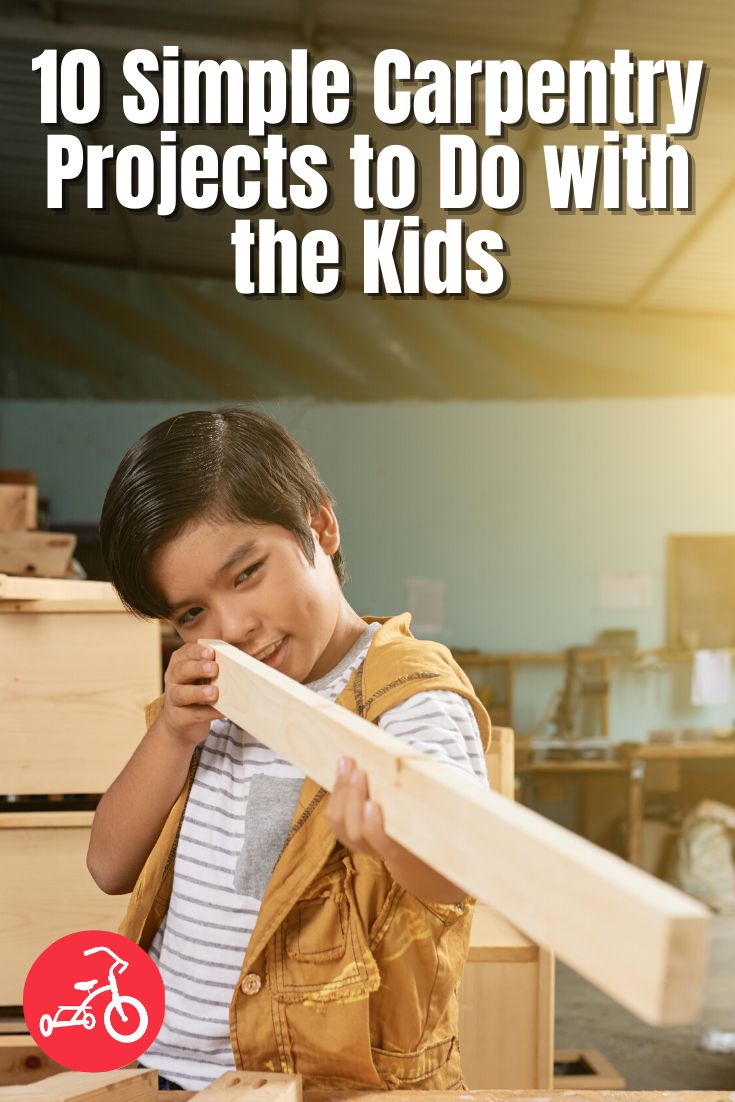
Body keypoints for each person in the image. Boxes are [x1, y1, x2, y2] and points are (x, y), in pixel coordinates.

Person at [89, 407, 490, 1092]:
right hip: (161, 1071)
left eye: (245, 574)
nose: (234, 626)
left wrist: (394, 842)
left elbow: (459, 871)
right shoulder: (205, 700)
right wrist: (170, 735)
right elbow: (108, 866)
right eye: (191, 613)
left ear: (320, 525)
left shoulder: (407, 695)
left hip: (321, 1086)